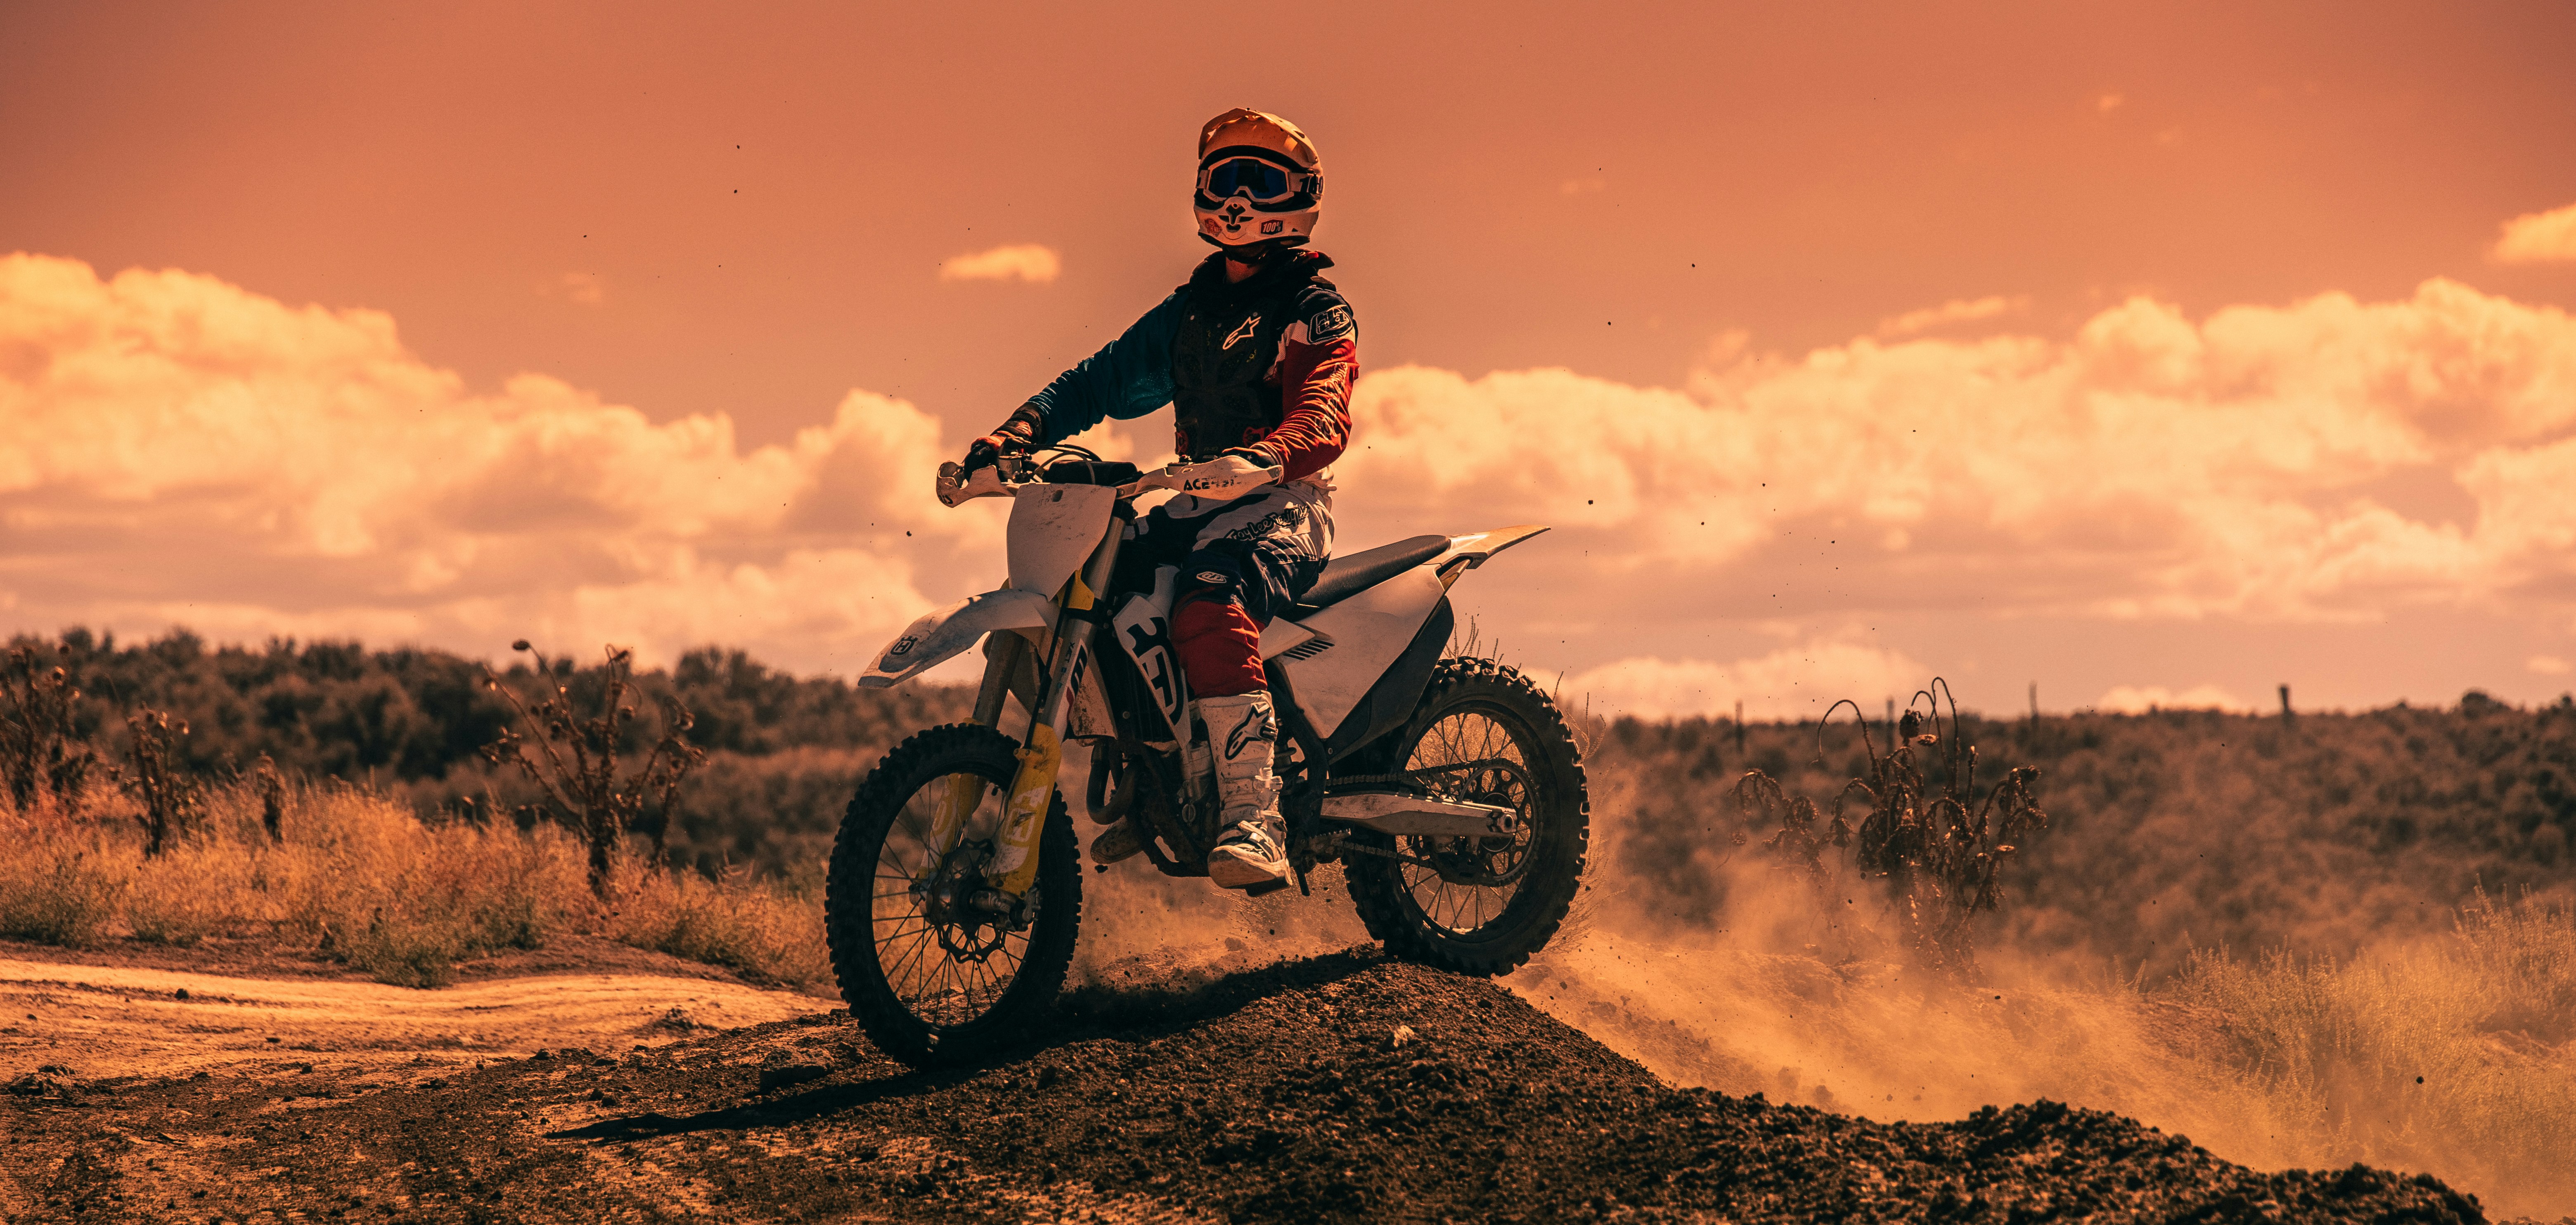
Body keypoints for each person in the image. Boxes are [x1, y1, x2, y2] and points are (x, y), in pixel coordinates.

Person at [952, 108, 1357, 892]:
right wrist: (1016, 433)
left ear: (1299, 197)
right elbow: (1097, 381)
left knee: (1206, 603)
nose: (1237, 199)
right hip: (1196, 499)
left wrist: (1265, 455)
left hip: (1284, 500)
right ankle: (1156, 780)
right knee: (1101, 585)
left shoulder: (1313, 306)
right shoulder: (1192, 311)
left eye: (1259, 181)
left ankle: (1254, 812)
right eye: (1223, 179)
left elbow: (1325, 410)